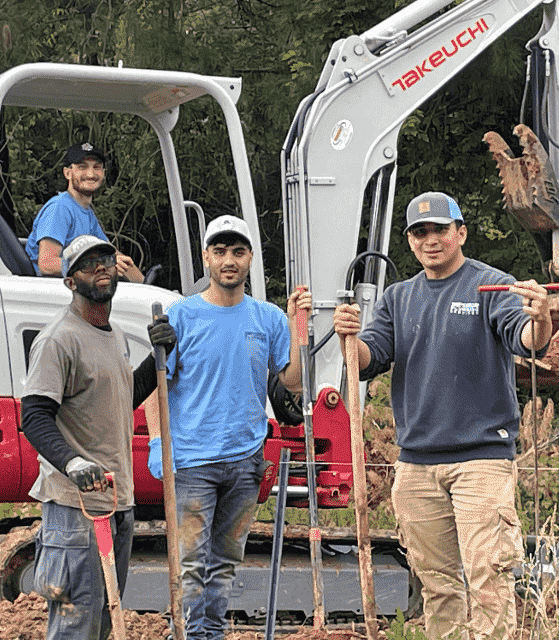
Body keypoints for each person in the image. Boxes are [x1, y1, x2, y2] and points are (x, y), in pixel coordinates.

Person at [333, 191, 552, 640]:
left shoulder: (490, 285)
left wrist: (542, 318)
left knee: (489, 579)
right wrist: (348, 336)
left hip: (482, 461)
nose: (430, 240)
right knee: (437, 588)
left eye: (440, 230)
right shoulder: (398, 297)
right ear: (411, 240)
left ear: (461, 233)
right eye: (420, 232)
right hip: (416, 466)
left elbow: (527, 339)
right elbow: (368, 358)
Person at [146, 214, 312, 640]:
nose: (229, 260)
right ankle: (184, 634)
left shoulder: (268, 318)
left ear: (250, 258)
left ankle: (211, 635)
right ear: (207, 258)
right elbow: (154, 387)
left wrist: (298, 325)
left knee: (223, 564)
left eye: (238, 252)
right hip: (192, 462)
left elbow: (289, 381)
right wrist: (158, 442)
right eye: (220, 252)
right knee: (189, 565)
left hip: (244, 462)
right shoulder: (181, 317)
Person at [21, 234, 176, 640]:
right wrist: (73, 464)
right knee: (77, 625)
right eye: (89, 264)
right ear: (71, 281)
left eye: (106, 259)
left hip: (117, 501)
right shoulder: (59, 339)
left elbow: (121, 399)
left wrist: (159, 356)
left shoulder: (115, 334)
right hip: (76, 511)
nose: (102, 267)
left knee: (104, 623)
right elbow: (34, 416)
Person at [25, 142, 143, 282]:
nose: (90, 174)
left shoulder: (87, 214)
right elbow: (47, 265)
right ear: (67, 173)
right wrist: (94, 265)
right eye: (82, 167)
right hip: (51, 293)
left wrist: (148, 286)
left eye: (96, 167)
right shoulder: (60, 207)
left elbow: (115, 257)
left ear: (103, 173)